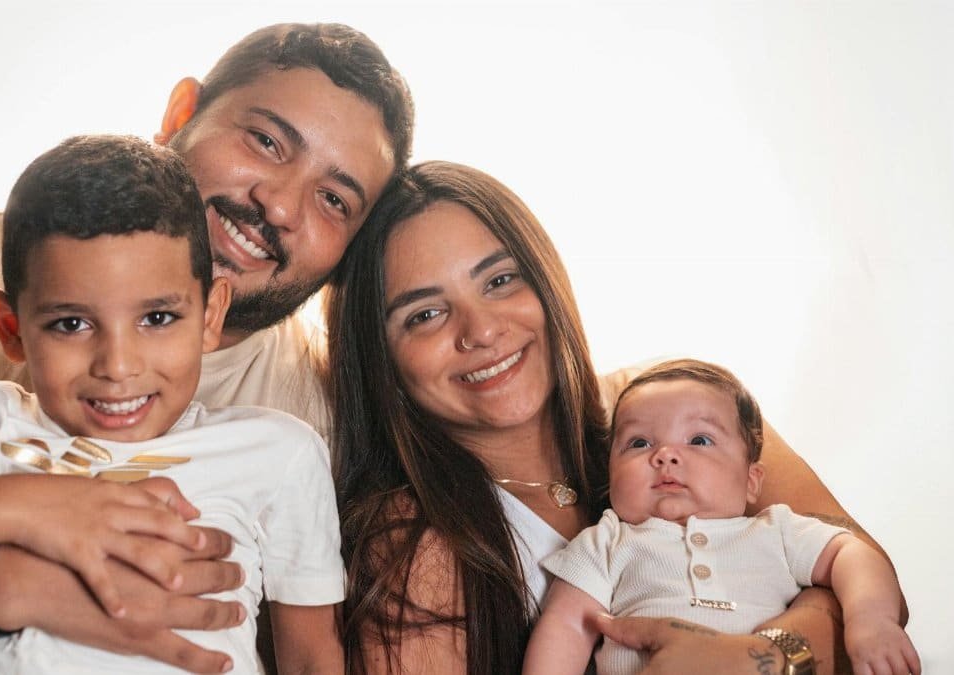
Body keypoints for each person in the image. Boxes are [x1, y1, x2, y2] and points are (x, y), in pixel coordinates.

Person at [0, 22, 412, 674]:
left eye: (333, 198)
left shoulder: (309, 424)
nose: (280, 205)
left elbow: (311, 647)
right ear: (182, 112)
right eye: (265, 141)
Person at [327, 161, 905, 675]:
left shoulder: (677, 407)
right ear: (381, 360)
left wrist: (756, 659)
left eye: (501, 280)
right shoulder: (410, 538)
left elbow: (868, 578)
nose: (480, 330)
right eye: (425, 314)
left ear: (545, 279)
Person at [524, 359, 920, 675]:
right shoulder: (608, 541)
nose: (665, 455)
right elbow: (567, 626)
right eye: (639, 442)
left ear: (751, 481)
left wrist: (870, 620)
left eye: (699, 440)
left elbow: (852, 555)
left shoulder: (775, 530)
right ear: (610, 479)